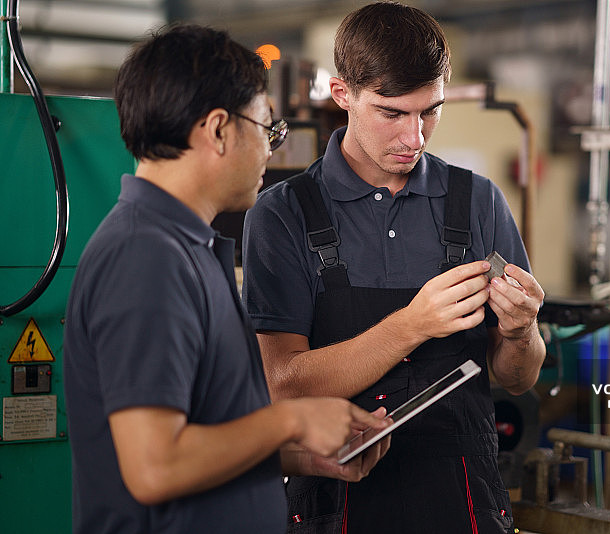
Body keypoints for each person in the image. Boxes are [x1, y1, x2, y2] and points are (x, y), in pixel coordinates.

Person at [63, 24, 389, 534]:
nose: (270, 150)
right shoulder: (146, 257)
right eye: (265, 129)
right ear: (218, 130)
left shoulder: (181, 249)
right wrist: (294, 419)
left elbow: (204, 434)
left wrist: (301, 457)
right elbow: (156, 467)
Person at [242, 2, 547, 533]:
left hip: (463, 502)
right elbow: (283, 386)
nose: (416, 138)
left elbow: (516, 380)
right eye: (393, 113)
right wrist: (414, 325)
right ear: (344, 96)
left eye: (430, 110)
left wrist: (522, 333)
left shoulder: (477, 202)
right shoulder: (283, 213)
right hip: (338, 504)